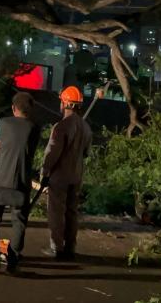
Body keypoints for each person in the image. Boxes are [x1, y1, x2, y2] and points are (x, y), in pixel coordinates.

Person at [0, 92, 40, 274]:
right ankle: (13, 260)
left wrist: (0, 145)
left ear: (13, 108)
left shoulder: (3, 123)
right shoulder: (34, 128)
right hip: (20, 183)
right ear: (31, 110)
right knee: (19, 221)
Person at [40, 85, 92, 259]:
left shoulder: (61, 126)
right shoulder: (86, 128)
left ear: (67, 103)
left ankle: (56, 247)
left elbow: (52, 152)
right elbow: (86, 153)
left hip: (59, 177)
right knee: (72, 212)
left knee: (56, 211)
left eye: (62, 101)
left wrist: (44, 172)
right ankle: (71, 247)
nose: (60, 104)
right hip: (76, 176)